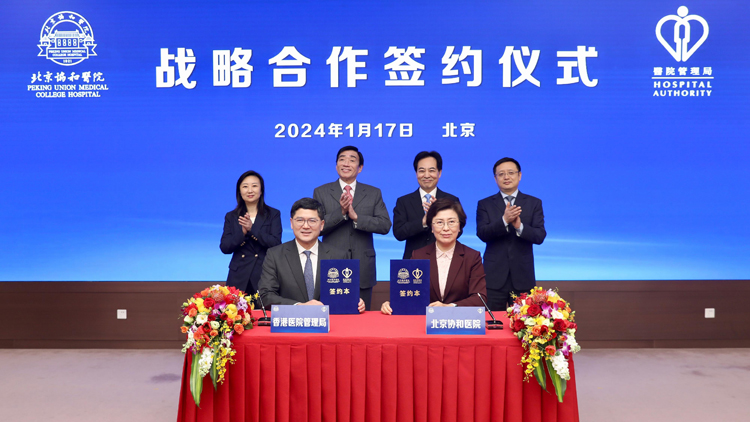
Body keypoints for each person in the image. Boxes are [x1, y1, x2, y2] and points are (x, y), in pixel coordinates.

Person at [313, 146, 392, 310]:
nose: (346, 163)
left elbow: (385, 225)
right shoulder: (321, 192)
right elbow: (316, 227)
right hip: (332, 266)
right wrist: (341, 212)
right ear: (336, 165)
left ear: (360, 167)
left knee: (362, 317)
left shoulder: (373, 193)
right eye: (342, 159)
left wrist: (357, 218)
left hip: (363, 267)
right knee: (331, 315)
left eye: (352, 160)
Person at [258, 197, 365, 312]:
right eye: (300, 220)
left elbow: (344, 294)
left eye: (312, 221)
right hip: (292, 320)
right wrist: (299, 306)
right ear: (291, 223)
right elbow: (265, 296)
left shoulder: (338, 256)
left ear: (322, 224)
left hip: (328, 321)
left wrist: (355, 301)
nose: (306, 226)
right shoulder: (275, 255)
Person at [381, 198, 486, 314]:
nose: (446, 228)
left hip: (459, 319)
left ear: (460, 226)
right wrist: (392, 303)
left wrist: (450, 307)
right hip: (425, 320)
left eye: (451, 222)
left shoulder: (472, 257)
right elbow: (408, 294)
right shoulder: (418, 255)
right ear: (431, 227)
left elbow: (480, 298)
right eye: (439, 222)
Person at [476, 158, 546, 312]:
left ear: (519, 175)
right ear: (495, 178)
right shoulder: (485, 204)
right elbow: (482, 234)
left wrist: (519, 226)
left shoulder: (534, 203)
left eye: (510, 173)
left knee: (524, 322)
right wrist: (504, 221)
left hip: (523, 276)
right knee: (492, 322)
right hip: (493, 277)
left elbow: (539, 236)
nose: (506, 177)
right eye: (501, 174)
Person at [220, 170, 282, 294]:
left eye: (254, 186)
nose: (250, 190)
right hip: (238, 275)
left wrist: (252, 229)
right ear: (239, 191)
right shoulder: (231, 216)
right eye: (245, 186)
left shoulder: (273, 214)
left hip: (263, 274)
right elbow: (225, 247)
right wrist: (242, 233)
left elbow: (276, 244)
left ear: (261, 190)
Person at [392, 151, 460, 259]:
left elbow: (459, 231)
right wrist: (423, 222)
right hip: (413, 261)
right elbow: (399, 233)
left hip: (444, 259)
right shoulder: (404, 201)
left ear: (439, 173)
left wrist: (439, 219)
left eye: (431, 170)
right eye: (422, 171)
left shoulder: (451, 200)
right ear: (416, 173)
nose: (427, 175)